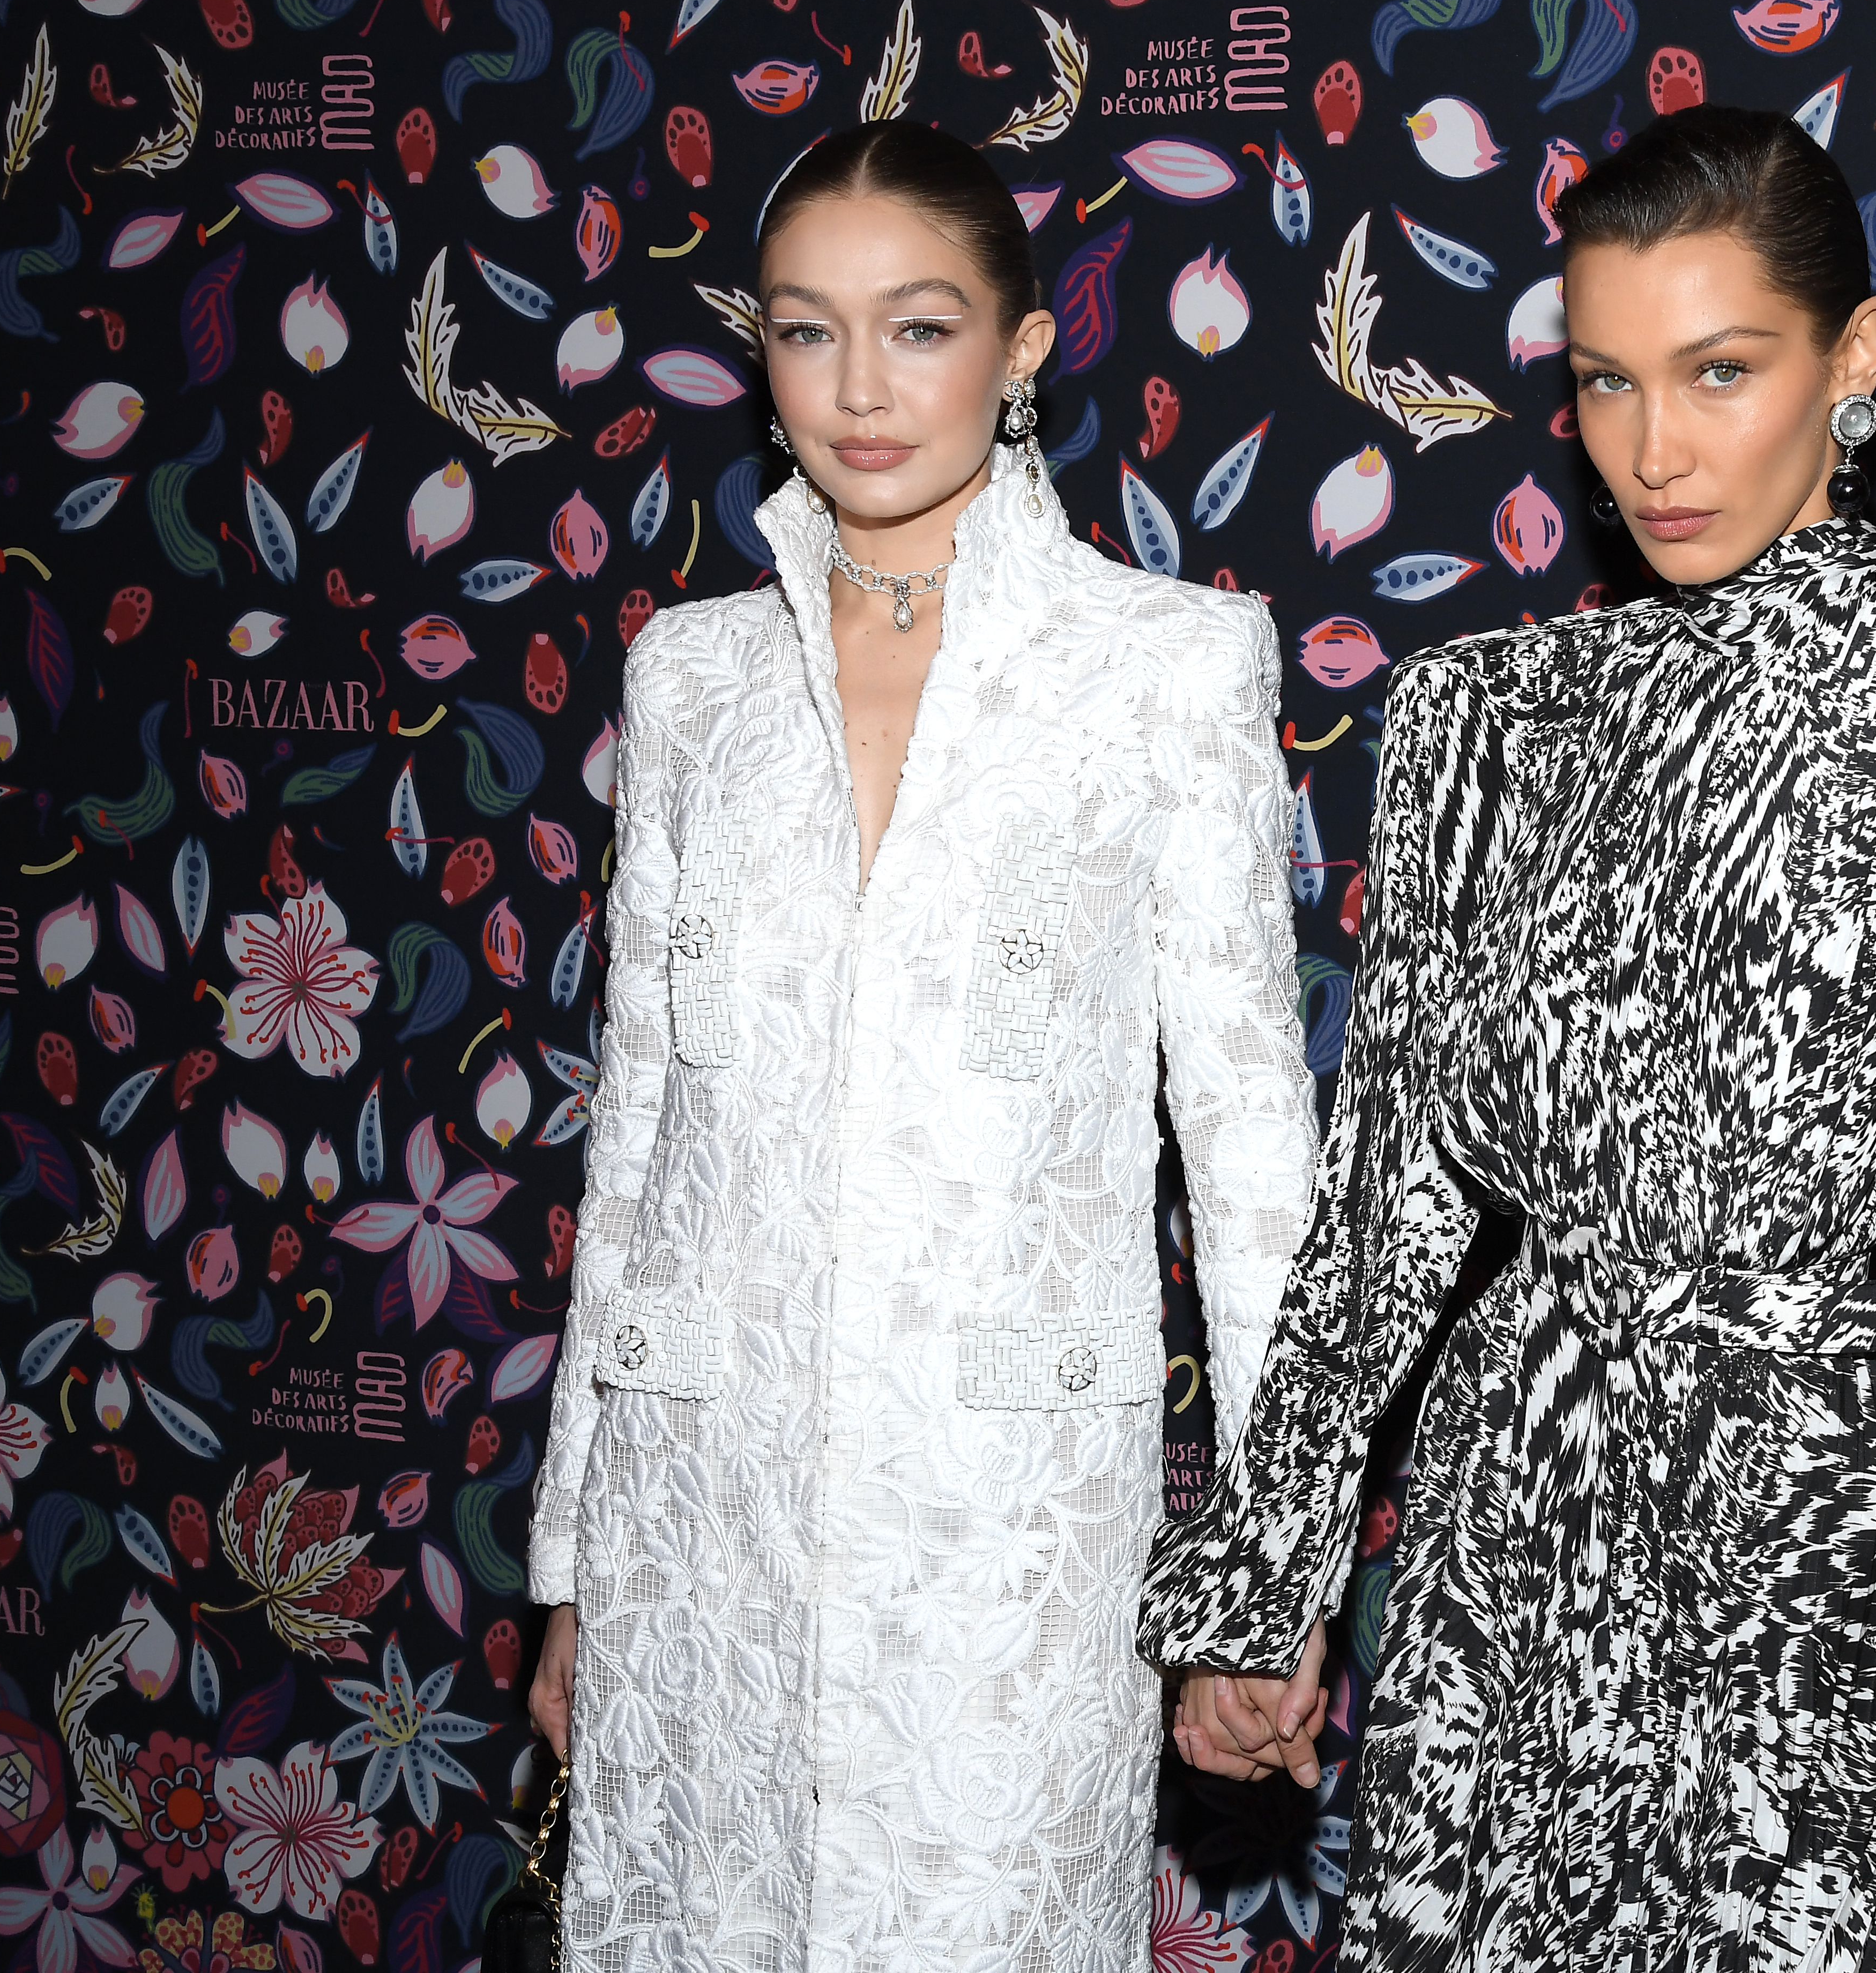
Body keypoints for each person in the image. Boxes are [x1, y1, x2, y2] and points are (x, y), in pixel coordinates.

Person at [1140, 105, 1876, 1970]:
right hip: (1504, 1557)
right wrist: (1270, 1574)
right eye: (1609, 383)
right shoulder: (1482, 715)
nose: (1657, 450)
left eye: (1722, 373)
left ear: (1858, 360)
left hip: (1828, 1579)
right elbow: (1390, 1201)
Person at [522, 120, 1317, 1972]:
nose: (860, 392)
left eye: (922, 327)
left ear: (1025, 346)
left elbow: (1253, 1153)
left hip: (1010, 1546)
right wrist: (575, 1566)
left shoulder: (1167, 666)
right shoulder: (693, 677)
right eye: (807, 333)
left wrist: (1267, 1567)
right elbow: (643, 1133)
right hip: (698, 1528)